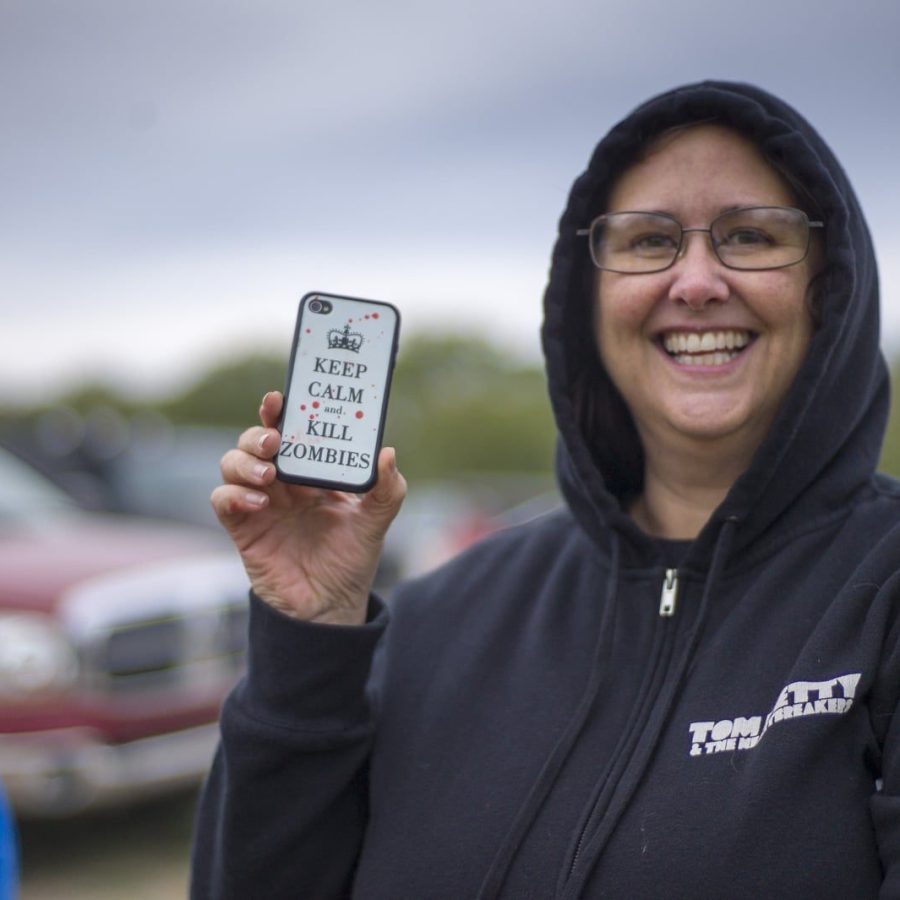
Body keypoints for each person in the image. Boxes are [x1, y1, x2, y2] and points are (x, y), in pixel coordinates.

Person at [191, 81, 900, 898]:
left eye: (749, 235)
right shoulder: (440, 618)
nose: (698, 280)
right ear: (583, 300)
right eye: (647, 241)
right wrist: (307, 639)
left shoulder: (881, 594)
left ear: (831, 287)